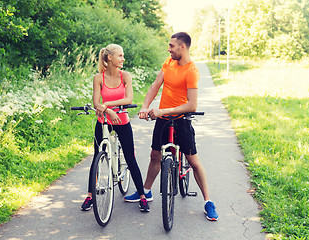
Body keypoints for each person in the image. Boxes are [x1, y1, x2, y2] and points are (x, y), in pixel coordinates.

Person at [124, 32, 218, 221]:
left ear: (182, 47)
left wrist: (162, 111)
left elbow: (192, 105)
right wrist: (145, 106)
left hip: (181, 120)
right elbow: (155, 85)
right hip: (163, 118)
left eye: (171, 46)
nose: (169, 49)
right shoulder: (168, 62)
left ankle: (208, 201)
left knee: (193, 160)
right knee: (155, 155)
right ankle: (146, 191)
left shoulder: (191, 70)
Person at [80, 44, 150, 212]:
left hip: (122, 119)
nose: (123, 59)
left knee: (130, 158)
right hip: (104, 119)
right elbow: (96, 102)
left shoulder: (125, 76)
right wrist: (108, 110)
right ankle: (90, 195)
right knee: (97, 156)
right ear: (110, 57)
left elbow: (128, 99)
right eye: (120, 56)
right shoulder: (98, 78)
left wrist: (108, 105)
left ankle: (142, 196)